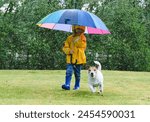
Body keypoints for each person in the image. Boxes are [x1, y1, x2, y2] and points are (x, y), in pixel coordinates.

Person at [62, 25, 87, 90]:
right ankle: (67, 84)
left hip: (79, 59)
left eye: (81, 30)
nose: (79, 31)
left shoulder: (83, 38)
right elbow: (65, 47)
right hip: (70, 58)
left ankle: (77, 85)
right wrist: (69, 51)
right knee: (69, 71)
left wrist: (77, 40)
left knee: (77, 73)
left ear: (83, 31)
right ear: (74, 29)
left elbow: (82, 47)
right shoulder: (69, 38)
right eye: (77, 29)